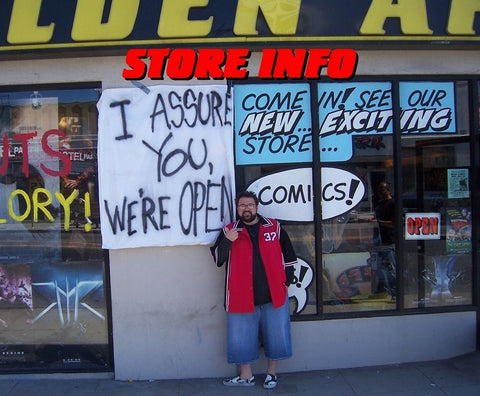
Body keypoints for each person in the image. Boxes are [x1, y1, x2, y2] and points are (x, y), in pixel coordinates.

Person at [211, 191, 297, 389]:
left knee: (277, 334)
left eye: (250, 205)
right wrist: (228, 241)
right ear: (237, 208)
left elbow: (289, 253)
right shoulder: (229, 230)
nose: (246, 208)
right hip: (241, 295)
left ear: (256, 207)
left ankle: (271, 373)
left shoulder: (274, 227)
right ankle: (246, 375)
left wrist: (287, 280)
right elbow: (217, 259)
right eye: (242, 205)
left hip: (273, 293)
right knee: (240, 337)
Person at [371, 181, 396, 298]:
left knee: (390, 268)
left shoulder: (392, 204)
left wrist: (379, 222)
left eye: (383, 189)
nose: (381, 192)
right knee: (380, 268)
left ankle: (395, 292)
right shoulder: (380, 204)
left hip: (389, 240)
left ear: (389, 190)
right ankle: (382, 290)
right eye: (379, 189)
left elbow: (395, 223)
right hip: (379, 241)